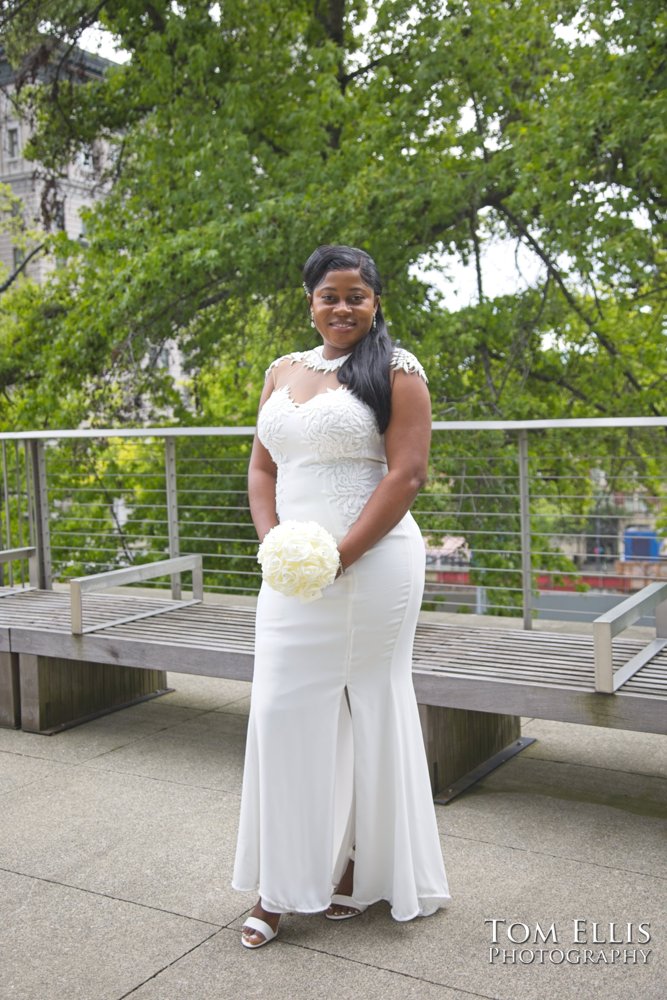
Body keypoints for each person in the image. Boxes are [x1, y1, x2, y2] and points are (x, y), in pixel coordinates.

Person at [232, 244, 450, 948]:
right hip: (290, 576)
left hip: (373, 566)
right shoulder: (281, 370)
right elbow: (262, 468)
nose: (343, 307)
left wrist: (338, 556)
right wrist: (276, 548)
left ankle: (358, 866)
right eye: (330, 295)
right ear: (310, 301)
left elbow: (406, 476)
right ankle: (278, 881)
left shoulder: (396, 371)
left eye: (356, 295)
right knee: (277, 712)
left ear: (375, 301)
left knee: (368, 709)